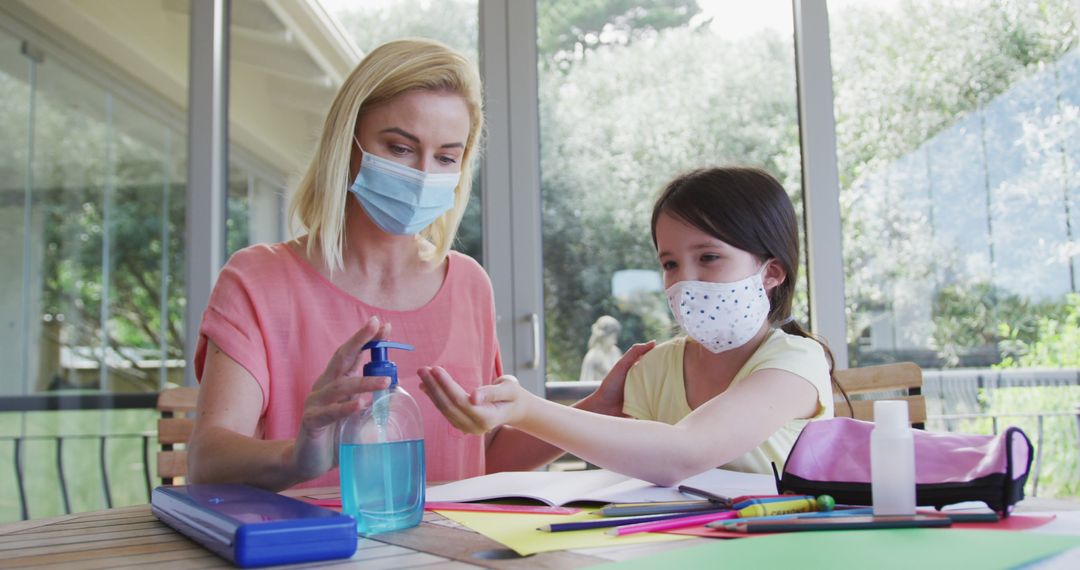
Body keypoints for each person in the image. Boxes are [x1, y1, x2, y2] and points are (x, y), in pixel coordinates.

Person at [187, 38, 647, 491]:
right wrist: (297, 456)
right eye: (400, 148)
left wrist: (596, 408)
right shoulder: (259, 280)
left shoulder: (469, 284)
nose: (424, 174)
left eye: (446, 156)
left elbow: (481, 457)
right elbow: (207, 461)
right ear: (346, 144)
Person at [419, 166, 848, 486]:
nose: (685, 280)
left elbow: (684, 453)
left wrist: (526, 409)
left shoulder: (796, 362)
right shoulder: (652, 369)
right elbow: (629, 485)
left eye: (709, 257)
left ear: (772, 272)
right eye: (670, 263)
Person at [578, 315, 623, 382]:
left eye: (615, 337)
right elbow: (585, 383)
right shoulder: (592, 356)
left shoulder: (616, 352)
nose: (614, 341)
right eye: (612, 337)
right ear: (603, 336)